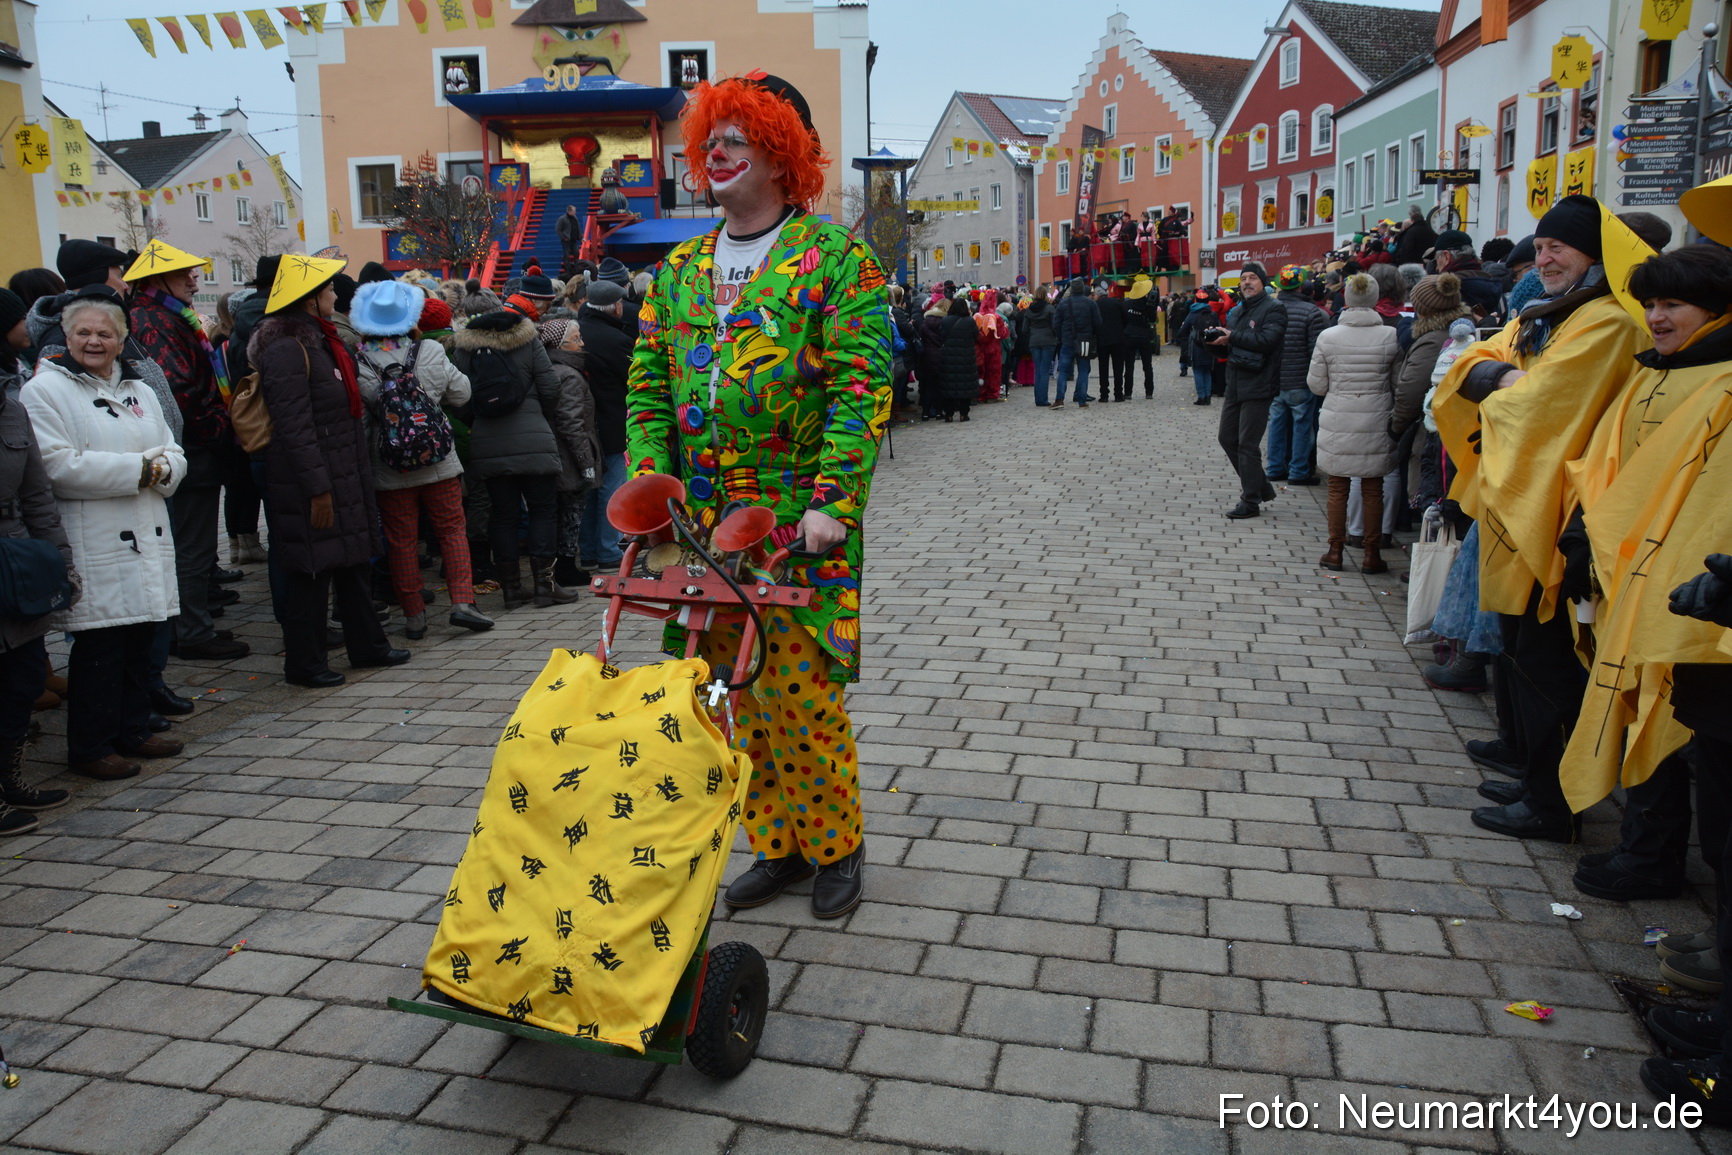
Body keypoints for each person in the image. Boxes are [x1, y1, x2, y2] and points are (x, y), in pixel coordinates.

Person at [627, 70, 891, 918]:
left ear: (783, 152)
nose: (717, 150)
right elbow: (646, 389)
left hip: (793, 524)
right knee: (725, 696)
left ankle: (837, 843)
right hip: (700, 530)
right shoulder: (675, 271)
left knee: (800, 695)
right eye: (711, 136)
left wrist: (832, 502)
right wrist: (651, 485)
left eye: (738, 137)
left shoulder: (837, 260)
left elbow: (862, 387)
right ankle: (777, 845)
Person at [1432, 195, 1647, 842]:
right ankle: (1533, 776)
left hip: (1559, 513)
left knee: (1547, 659)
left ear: (1596, 254)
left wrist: (1497, 379)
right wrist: (1503, 376)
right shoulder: (1556, 311)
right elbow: (1467, 371)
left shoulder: (1606, 320)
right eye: (1542, 245)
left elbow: (1539, 406)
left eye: (1560, 247)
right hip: (1526, 501)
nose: (1546, 257)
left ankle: (1551, 804)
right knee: (1521, 651)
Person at [22, 296, 184, 780]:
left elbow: (173, 448)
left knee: (142, 637)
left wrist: (162, 466)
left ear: (120, 339)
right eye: (84, 333)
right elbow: (57, 467)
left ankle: (132, 729)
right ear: (66, 338)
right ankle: (90, 746)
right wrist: (143, 468)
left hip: (147, 527)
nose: (95, 341)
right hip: (94, 537)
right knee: (100, 647)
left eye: (105, 333)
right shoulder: (44, 391)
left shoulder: (141, 389)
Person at [251, 255, 411, 688]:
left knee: (353, 562)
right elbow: (293, 425)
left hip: (343, 470)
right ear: (307, 300)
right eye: (325, 290)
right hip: (312, 478)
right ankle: (306, 663)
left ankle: (368, 646)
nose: (333, 295)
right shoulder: (287, 347)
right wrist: (317, 488)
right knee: (311, 572)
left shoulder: (320, 340)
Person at [125, 241, 250, 663]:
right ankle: (192, 632)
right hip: (191, 448)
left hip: (193, 444)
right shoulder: (154, 320)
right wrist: (219, 424)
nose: (193, 279)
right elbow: (177, 392)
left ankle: (187, 627)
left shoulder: (164, 314)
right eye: (184, 274)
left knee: (190, 546)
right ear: (156, 279)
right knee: (192, 547)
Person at [349, 279, 494, 640]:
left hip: (390, 465)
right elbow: (462, 394)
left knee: (401, 540)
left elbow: (362, 420)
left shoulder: (360, 360)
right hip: (439, 460)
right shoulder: (428, 350)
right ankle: (463, 603)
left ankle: (415, 616)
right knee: (451, 530)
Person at [452, 282, 583, 609]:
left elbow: (458, 396)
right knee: (542, 510)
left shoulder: (464, 348)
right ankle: (544, 588)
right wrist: (539, 415)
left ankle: (511, 590)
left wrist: (479, 420)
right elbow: (551, 387)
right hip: (535, 437)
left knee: (504, 515)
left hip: (487, 440)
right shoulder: (528, 340)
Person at [1308, 273, 1401, 571]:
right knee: (1373, 487)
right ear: (1374, 299)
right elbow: (1397, 382)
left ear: (1346, 298)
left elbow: (1317, 386)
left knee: (1338, 486)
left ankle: (1335, 550)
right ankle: (1372, 554)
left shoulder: (1329, 336)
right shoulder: (1390, 336)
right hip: (1376, 417)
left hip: (1339, 418)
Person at [1210, 264, 1288, 518]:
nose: (1247, 282)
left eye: (1252, 277)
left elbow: (1267, 341)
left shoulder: (1274, 308)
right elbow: (1233, 347)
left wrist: (1231, 337)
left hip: (1259, 384)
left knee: (1247, 445)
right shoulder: (1236, 311)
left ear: (1263, 282)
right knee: (1226, 438)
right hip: (1235, 383)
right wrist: (1213, 343)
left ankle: (1251, 500)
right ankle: (1261, 486)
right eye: (1243, 278)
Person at [535, 318, 603, 587]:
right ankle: (565, 567)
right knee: (571, 513)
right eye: (577, 339)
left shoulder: (554, 370)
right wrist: (586, 462)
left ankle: (562, 567)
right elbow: (572, 424)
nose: (582, 343)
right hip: (568, 457)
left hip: (559, 454)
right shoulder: (568, 375)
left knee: (565, 513)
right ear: (560, 345)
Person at [574, 274, 633, 571]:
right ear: (614, 307)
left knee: (589, 490)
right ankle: (609, 551)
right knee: (611, 489)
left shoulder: (578, 331)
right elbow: (633, 381)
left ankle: (589, 552)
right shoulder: (616, 340)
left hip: (582, 425)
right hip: (611, 423)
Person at [1266, 267, 1328, 484]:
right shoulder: (1311, 312)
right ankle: (1298, 471)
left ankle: (1274, 468)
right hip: (1301, 380)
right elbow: (1315, 351)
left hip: (1275, 379)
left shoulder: (1270, 308)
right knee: (1302, 427)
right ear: (1301, 286)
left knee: (1276, 425)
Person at [1052, 278, 1100, 410]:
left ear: (1071, 289)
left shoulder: (1063, 304)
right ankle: (1082, 400)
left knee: (1063, 371)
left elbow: (1056, 324)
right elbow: (1098, 323)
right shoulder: (1090, 304)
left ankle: (1059, 399)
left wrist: (1061, 338)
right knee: (1083, 370)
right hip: (1085, 341)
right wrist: (1091, 335)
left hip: (1067, 341)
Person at [1025, 285, 1059, 406]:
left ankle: (1038, 399)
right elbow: (1055, 326)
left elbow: (1024, 329)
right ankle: (1043, 399)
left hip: (1034, 341)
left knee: (1038, 370)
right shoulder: (1049, 308)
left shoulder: (1029, 309)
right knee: (1044, 370)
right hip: (1048, 341)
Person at [556, 204, 581, 275]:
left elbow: (577, 228)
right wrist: (563, 237)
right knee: (566, 255)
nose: (575, 212)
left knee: (577, 252)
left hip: (574, 239)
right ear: (569, 211)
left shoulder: (575, 218)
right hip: (566, 240)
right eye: (574, 211)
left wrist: (580, 237)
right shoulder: (562, 219)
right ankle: (567, 270)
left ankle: (576, 267)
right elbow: (558, 229)